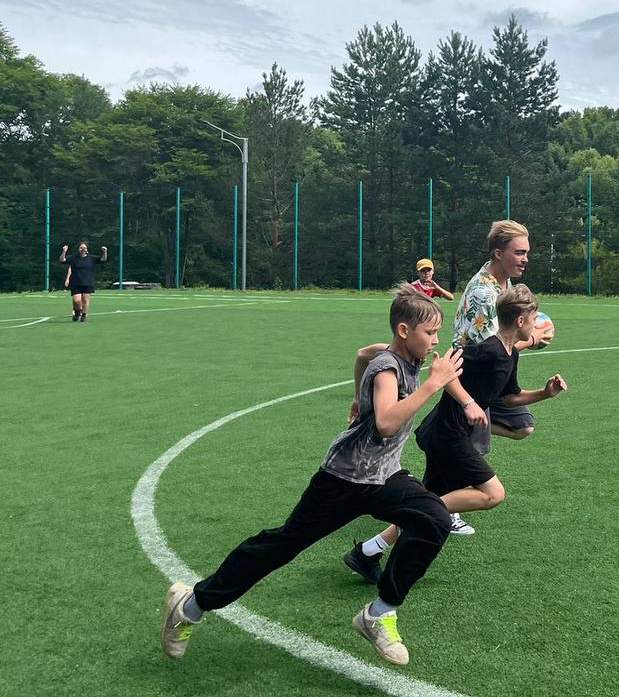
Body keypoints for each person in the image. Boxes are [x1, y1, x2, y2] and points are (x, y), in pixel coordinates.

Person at [160, 284, 463, 667]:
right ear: (404, 331)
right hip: (345, 478)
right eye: (430, 333)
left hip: (383, 475)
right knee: (283, 545)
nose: (435, 341)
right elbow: (386, 422)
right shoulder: (388, 368)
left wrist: (358, 397)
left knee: (434, 518)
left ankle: (379, 613)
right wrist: (433, 384)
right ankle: (191, 605)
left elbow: (362, 354)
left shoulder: (400, 356)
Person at [346, 219, 553, 560]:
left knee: (441, 485)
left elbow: (504, 363)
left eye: (526, 252)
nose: (525, 258)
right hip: (464, 393)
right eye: (519, 252)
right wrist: (531, 339)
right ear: (498, 253)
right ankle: (429, 514)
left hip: (472, 398)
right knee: (479, 491)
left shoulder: (505, 286)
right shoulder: (484, 295)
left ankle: (369, 551)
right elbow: (473, 355)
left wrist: (544, 390)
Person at [59, 242, 107, 322]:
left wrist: (105, 252)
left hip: (87, 282)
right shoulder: (73, 258)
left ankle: (83, 315)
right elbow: (62, 260)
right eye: (81, 248)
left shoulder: (91, 258)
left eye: (84, 248)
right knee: (76, 301)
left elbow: (103, 259)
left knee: (85, 301)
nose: (83, 249)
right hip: (76, 282)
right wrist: (64, 251)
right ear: (78, 249)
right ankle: (77, 312)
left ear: (87, 249)